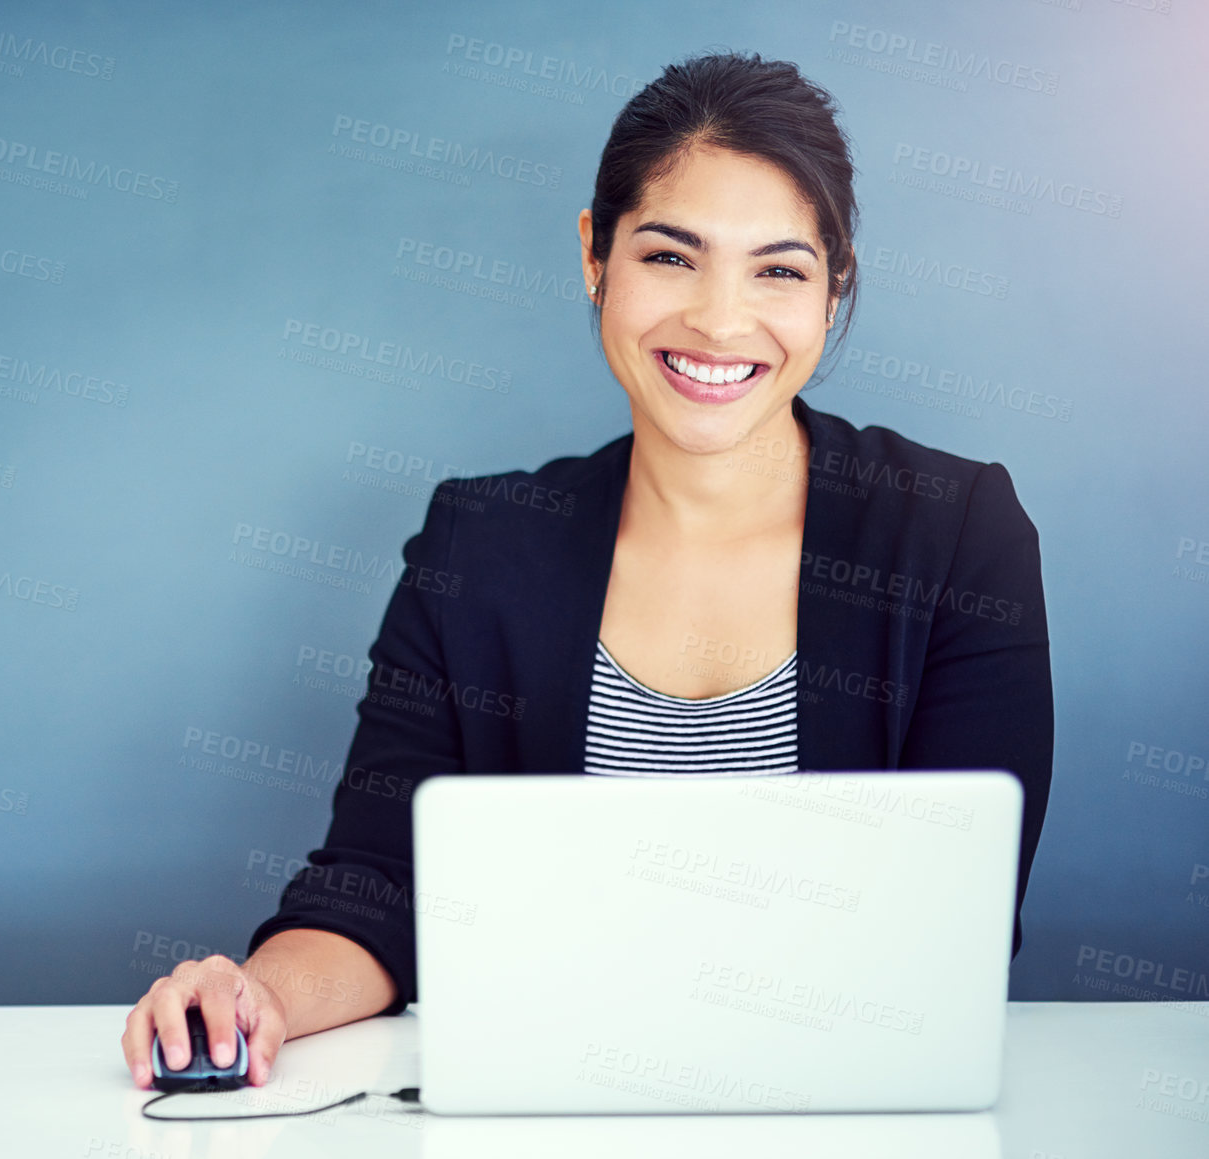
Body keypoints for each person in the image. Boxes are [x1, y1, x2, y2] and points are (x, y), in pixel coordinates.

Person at [121, 50, 1052, 1091]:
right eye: (670, 256)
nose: (718, 320)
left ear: (832, 293)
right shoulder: (478, 545)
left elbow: (953, 928)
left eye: (779, 270)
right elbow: (378, 889)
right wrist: (260, 999)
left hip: (846, 1105)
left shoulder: (958, 536)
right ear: (593, 257)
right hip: (557, 1105)